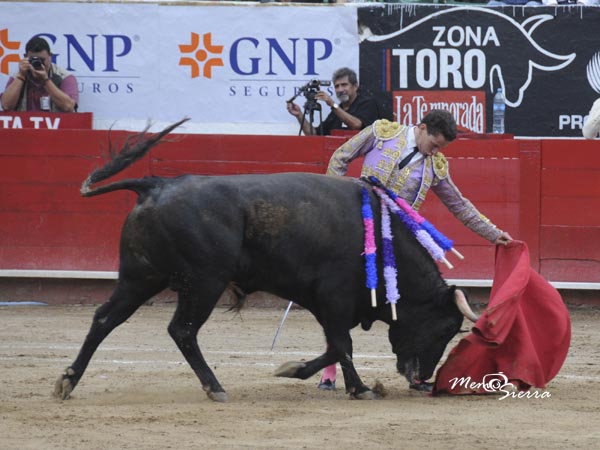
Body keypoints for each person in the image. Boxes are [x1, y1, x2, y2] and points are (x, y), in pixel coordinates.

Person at [318, 109, 513, 391]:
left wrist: (495, 234)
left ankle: (415, 371)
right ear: (421, 128)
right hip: (357, 230)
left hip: (397, 242)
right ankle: (329, 371)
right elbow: (340, 157)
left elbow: (460, 206)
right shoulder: (381, 133)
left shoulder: (435, 165)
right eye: (434, 145)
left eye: (441, 149)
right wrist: (334, 204)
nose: (435, 152)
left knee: (414, 308)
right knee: (340, 298)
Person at [286, 67, 379, 136]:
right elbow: (314, 134)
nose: (340, 89)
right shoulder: (336, 110)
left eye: (344, 85)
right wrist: (299, 115)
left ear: (355, 86)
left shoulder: (367, 103)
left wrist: (332, 104)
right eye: (337, 86)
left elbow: (357, 125)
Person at [1, 36, 78, 112]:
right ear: (25, 57)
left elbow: (69, 107)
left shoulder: (64, 77)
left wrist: (45, 81)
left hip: (55, 123)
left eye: (42, 60)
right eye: (33, 59)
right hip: (25, 123)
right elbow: (6, 106)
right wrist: (21, 76)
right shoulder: (18, 76)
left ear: (50, 56)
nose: (39, 63)